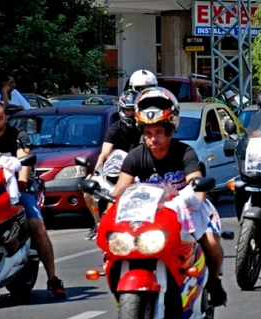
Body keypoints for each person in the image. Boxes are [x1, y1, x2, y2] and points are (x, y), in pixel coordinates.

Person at [110, 87, 227, 306]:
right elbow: (120, 191)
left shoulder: (185, 153)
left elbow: (197, 186)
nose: (152, 139)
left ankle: (213, 281)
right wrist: (107, 201)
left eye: (158, 133)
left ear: (170, 132)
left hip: (188, 210)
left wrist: (195, 193)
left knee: (210, 241)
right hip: (149, 215)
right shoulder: (135, 156)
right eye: (148, 134)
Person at [0, 101, 65, 297]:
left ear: (6, 118)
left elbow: (24, 159)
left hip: (16, 190)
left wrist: (21, 182)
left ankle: (53, 279)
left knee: (38, 225)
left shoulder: (17, 135)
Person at [83, 90, 142, 240]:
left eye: (132, 109)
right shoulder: (114, 129)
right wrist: (96, 171)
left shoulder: (143, 127)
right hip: (116, 170)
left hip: (141, 170)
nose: (129, 113)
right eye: (126, 109)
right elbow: (104, 153)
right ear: (121, 110)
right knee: (89, 192)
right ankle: (98, 224)